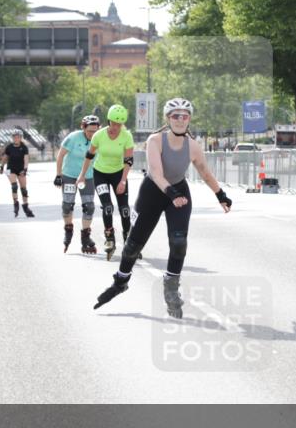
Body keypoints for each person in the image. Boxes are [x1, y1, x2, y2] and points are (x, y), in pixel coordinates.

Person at [94, 98, 232, 318]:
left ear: (189, 119)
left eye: (184, 116)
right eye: (175, 115)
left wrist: (221, 195)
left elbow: (205, 173)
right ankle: (121, 281)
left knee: (179, 242)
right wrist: (171, 193)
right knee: (133, 246)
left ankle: (171, 287)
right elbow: (156, 173)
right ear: (168, 119)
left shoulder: (193, 146)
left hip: (178, 192)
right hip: (153, 193)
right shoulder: (155, 140)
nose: (180, 119)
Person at [76, 104, 135, 260]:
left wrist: (123, 181)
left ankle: (129, 242)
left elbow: (128, 160)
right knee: (107, 207)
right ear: (109, 121)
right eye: (114, 123)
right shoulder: (99, 135)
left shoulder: (126, 136)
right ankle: (109, 238)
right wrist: (82, 175)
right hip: (100, 173)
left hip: (118, 174)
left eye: (120, 124)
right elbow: (89, 156)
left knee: (124, 209)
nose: (116, 127)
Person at [54, 115, 100, 253]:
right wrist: (58, 174)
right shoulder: (73, 137)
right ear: (83, 128)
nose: (92, 134)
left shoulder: (100, 139)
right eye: (90, 131)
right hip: (69, 175)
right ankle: (68, 229)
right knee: (67, 205)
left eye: (95, 131)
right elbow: (61, 155)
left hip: (88, 177)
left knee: (89, 206)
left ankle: (85, 236)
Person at [1, 130, 34, 217]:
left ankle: (26, 206)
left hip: (20, 169)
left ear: (20, 138)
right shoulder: (9, 147)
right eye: (14, 137)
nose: (16, 138)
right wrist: (1, 166)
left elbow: (26, 159)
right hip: (10, 168)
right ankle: (15, 204)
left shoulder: (24, 147)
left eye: (18, 137)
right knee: (14, 186)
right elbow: (5, 157)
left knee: (23, 189)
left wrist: (25, 169)